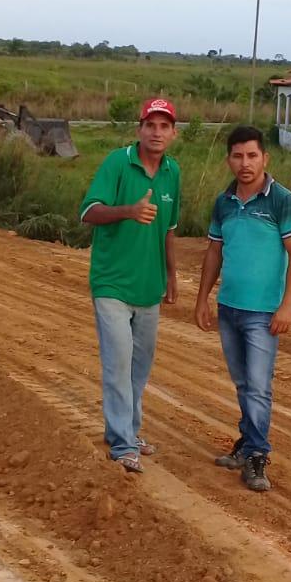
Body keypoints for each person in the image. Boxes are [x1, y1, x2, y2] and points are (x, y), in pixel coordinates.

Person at [195, 125, 291, 492]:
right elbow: (213, 252)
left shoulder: (281, 200)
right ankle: (247, 443)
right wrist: (203, 298)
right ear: (229, 160)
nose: (245, 163)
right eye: (238, 156)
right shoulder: (223, 202)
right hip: (229, 308)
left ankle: (257, 455)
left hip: (263, 313)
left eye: (252, 155)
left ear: (265, 159)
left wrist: (287, 306)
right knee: (244, 383)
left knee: (258, 385)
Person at [79, 98, 180, 473]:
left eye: (164, 126)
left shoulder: (172, 172)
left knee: (139, 367)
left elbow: (170, 230)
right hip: (111, 284)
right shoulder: (117, 163)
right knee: (118, 364)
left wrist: (171, 277)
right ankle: (123, 445)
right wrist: (128, 211)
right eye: (150, 125)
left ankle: (124, 430)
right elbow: (89, 212)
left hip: (149, 287)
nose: (156, 132)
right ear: (139, 129)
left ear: (173, 133)